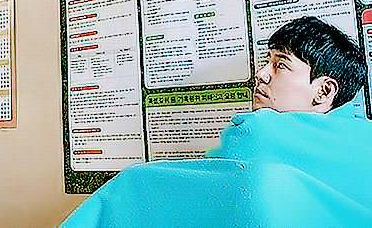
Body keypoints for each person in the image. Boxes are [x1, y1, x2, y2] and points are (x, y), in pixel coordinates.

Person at [60, 16, 372, 228]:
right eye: (267, 62)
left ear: (324, 91)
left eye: (280, 65)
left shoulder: (257, 132)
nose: (262, 74)